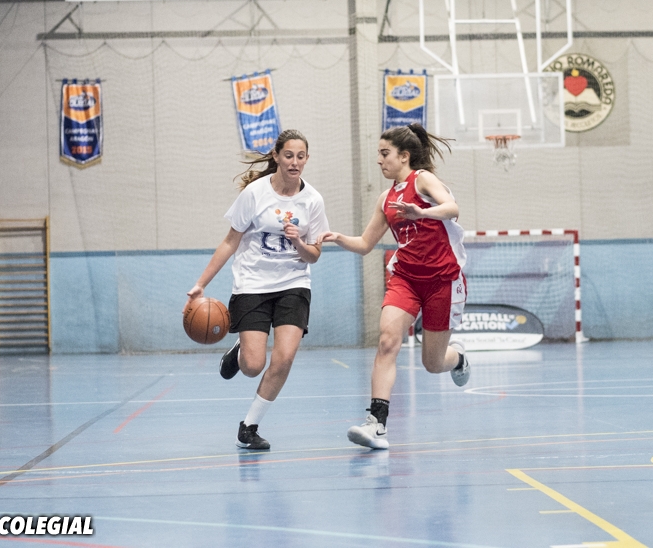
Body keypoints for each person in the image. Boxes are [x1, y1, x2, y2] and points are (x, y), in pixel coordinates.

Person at [317, 123, 469, 449]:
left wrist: (421, 213)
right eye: (378, 153)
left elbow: (452, 209)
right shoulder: (385, 199)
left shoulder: (422, 179)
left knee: (432, 363)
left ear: (404, 156)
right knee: (387, 340)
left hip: (442, 280)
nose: (379, 160)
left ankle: (458, 359)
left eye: (385, 153)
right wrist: (337, 237)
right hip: (406, 279)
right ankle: (377, 425)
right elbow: (365, 244)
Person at [185, 130, 330, 450]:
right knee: (253, 366)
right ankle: (240, 350)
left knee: (285, 357)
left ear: (307, 159)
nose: (294, 162)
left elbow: (314, 256)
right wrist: (201, 284)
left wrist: (299, 242)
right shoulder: (255, 193)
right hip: (252, 284)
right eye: (288, 155)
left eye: (301, 156)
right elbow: (230, 242)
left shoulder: (313, 201)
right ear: (276, 156)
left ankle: (249, 427)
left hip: (293, 284)